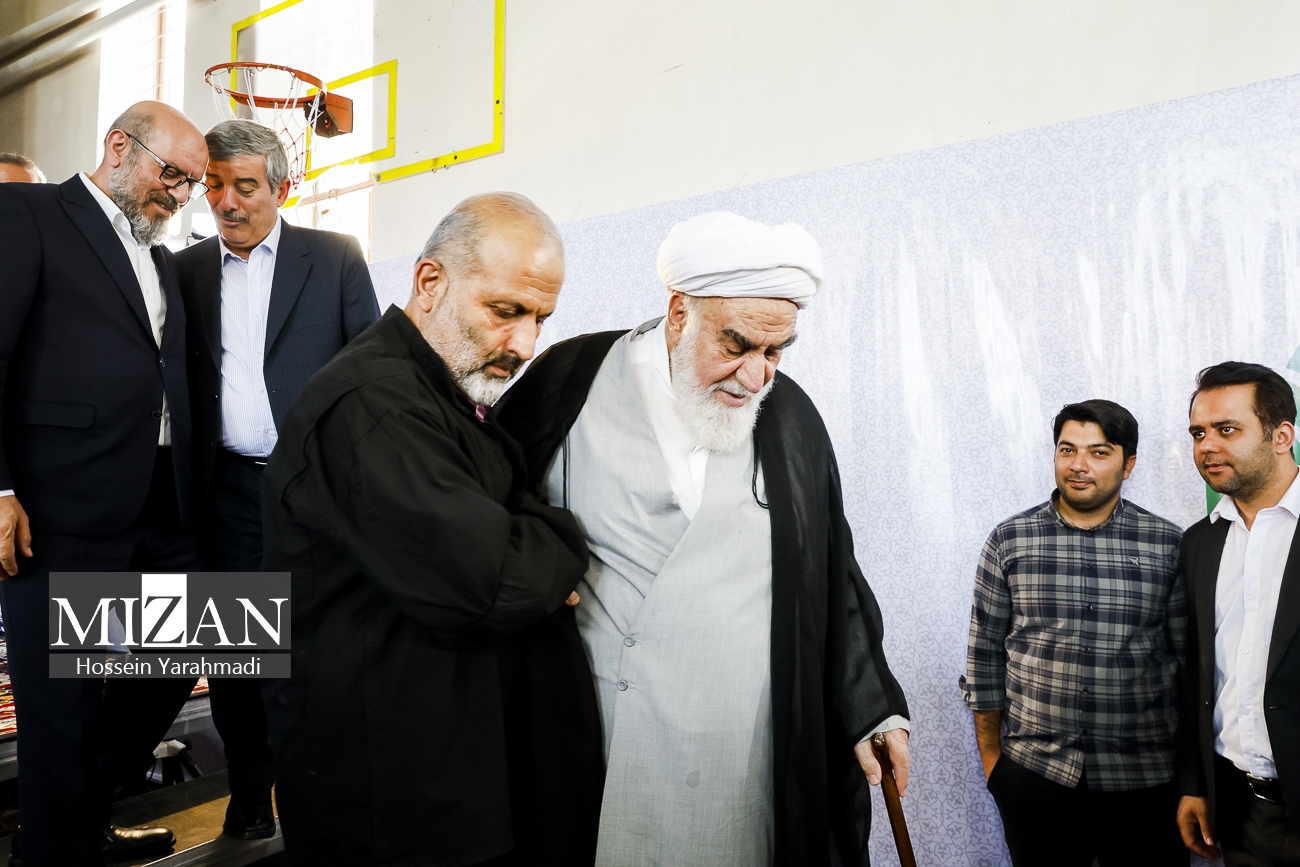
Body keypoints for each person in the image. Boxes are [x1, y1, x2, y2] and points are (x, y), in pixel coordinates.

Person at [496, 210, 911, 866]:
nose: (755, 376)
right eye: (737, 345)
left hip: (741, 751)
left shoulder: (791, 417)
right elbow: (490, 508)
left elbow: (833, 572)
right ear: (679, 312)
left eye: (774, 352)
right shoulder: (571, 379)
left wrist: (871, 707)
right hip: (597, 739)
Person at [261, 192, 596, 866]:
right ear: (430, 282)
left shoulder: (439, 391)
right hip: (388, 793)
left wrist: (519, 526)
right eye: (505, 311)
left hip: (437, 759)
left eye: (539, 319)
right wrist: (559, 540)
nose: (525, 345)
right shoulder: (375, 405)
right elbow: (491, 585)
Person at [0, 101, 208, 866]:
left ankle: (79, 817)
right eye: (172, 174)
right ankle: (59, 847)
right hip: (56, 509)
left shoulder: (161, 258)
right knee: (61, 705)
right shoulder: (27, 214)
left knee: (203, 639)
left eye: (191, 184)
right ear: (119, 145)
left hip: (158, 503)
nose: (180, 195)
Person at [175, 119, 379, 841]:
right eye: (213, 185)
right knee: (236, 653)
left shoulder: (335, 257)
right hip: (227, 493)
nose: (226, 201)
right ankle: (249, 790)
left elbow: (370, 371)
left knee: (314, 647)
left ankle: (320, 789)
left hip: (313, 490)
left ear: (282, 189)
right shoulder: (184, 271)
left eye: (244, 186)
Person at [961, 399, 1188, 866]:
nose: (1079, 465)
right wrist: (994, 763)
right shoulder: (1010, 540)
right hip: (1035, 776)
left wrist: (1192, 780)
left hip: (1146, 781)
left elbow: (1189, 667)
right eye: (1068, 450)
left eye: (1099, 452)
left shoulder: (1167, 544)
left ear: (1128, 465)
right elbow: (984, 657)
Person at [1177, 361, 1300, 866]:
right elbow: (1197, 675)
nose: (1207, 446)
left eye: (1227, 429)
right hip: (1238, 810)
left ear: (1281, 436)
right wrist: (1194, 783)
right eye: (1198, 433)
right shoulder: (1198, 543)